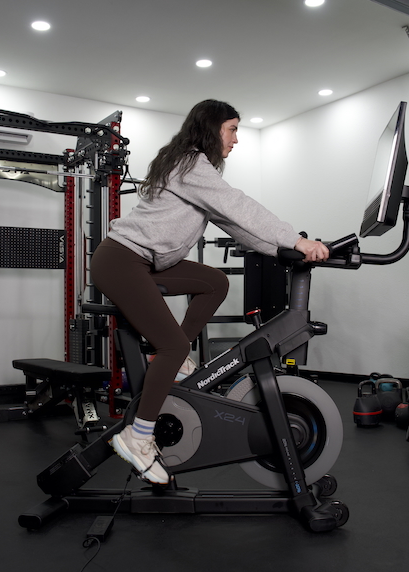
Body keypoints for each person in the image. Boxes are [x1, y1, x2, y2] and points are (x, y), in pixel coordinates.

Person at [89, 99, 329, 484]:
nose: (236, 139)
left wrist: (286, 247)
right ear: (212, 127)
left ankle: (175, 362)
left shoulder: (188, 167)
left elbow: (235, 223)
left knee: (215, 282)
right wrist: (296, 240)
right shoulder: (190, 163)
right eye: (232, 129)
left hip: (144, 262)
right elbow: (239, 205)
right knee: (172, 345)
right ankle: (138, 436)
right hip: (121, 260)